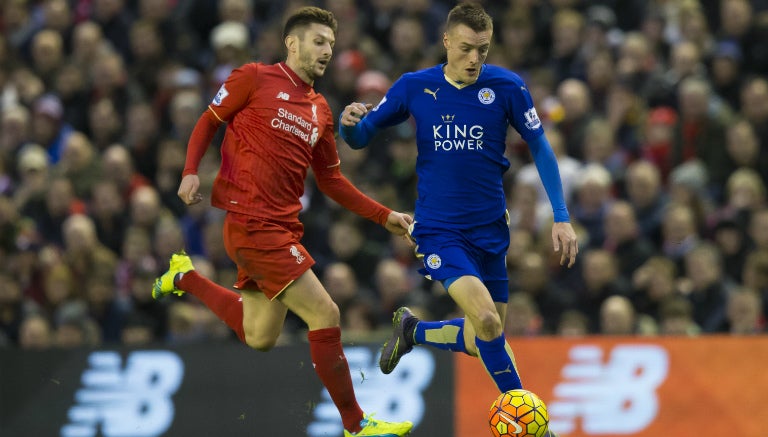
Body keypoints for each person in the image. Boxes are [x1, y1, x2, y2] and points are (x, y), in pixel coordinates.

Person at [151, 7, 413, 437]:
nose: (327, 50)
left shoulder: (321, 110)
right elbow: (208, 121)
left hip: (281, 227)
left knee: (260, 335)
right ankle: (356, 424)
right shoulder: (253, 76)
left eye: (331, 43)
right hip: (253, 223)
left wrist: (383, 215)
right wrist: (189, 170)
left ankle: (185, 278)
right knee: (325, 311)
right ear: (292, 43)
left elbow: (331, 179)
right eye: (318, 41)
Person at [339, 4, 577, 434]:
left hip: (491, 231)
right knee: (487, 320)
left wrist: (561, 216)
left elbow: (540, 146)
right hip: (439, 231)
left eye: (482, 51)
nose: (474, 59)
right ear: (446, 41)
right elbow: (362, 136)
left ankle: (413, 331)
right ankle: (534, 427)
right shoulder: (415, 87)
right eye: (466, 48)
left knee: (482, 335)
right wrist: (349, 126)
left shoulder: (506, 86)